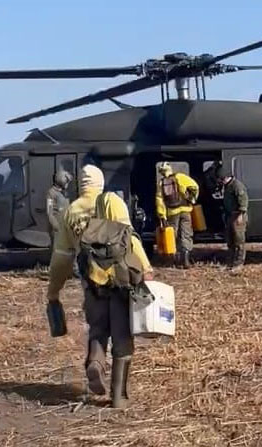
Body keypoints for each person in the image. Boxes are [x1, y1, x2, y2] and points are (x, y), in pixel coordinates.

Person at [47, 164, 153, 408]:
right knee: (122, 335)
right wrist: (146, 269)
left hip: (91, 281)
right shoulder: (112, 202)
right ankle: (119, 397)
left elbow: (62, 257)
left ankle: (95, 363)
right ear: (100, 182)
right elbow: (131, 239)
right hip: (120, 280)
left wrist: (54, 291)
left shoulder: (70, 212)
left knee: (97, 329)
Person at [155, 162, 199, 268]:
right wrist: (192, 198)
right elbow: (195, 186)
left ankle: (173, 260)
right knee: (186, 234)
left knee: (172, 235)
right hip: (185, 211)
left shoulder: (161, 183)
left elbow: (159, 200)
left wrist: (162, 215)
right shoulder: (180, 177)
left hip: (171, 213)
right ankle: (186, 260)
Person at [217, 168, 249, 269]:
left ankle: (238, 263)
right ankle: (230, 262)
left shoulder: (237, 186)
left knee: (239, 240)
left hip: (237, 215)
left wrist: (240, 216)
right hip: (230, 215)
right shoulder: (227, 186)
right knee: (230, 240)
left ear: (228, 177)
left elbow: (243, 202)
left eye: (222, 179)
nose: (221, 181)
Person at [46, 170, 72, 252]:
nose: (67, 185)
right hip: (58, 227)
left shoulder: (64, 193)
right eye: (66, 182)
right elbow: (49, 212)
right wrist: (56, 227)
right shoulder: (51, 193)